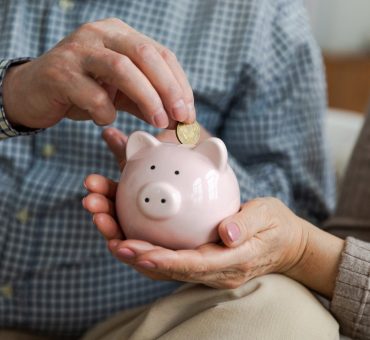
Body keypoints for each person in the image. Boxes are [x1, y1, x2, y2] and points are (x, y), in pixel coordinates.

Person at [0, 0, 339, 339]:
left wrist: (209, 189)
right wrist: (10, 93)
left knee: (285, 313)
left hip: (143, 322)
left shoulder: (264, 14)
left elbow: (301, 215)